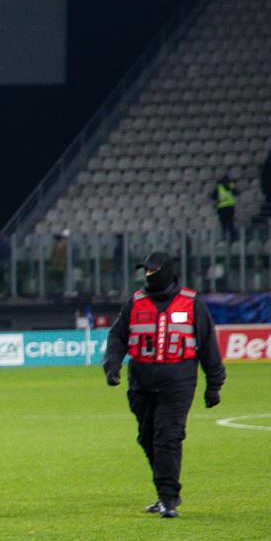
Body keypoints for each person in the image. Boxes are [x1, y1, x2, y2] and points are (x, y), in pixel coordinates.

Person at [102, 252, 226, 519]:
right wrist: (112, 366)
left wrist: (214, 384)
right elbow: (117, 337)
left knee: (168, 438)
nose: (148, 275)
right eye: (146, 271)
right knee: (147, 438)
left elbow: (207, 344)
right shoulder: (135, 302)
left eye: (153, 271)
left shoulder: (191, 302)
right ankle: (164, 494)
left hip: (178, 381)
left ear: (167, 272)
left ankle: (168, 498)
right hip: (141, 383)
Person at [214, 174, 236, 241]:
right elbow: (213, 196)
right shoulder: (219, 189)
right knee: (224, 225)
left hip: (229, 209)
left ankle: (231, 238)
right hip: (223, 210)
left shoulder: (231, 187)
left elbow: (236, 193)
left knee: (231, 225)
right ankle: (225, 238)